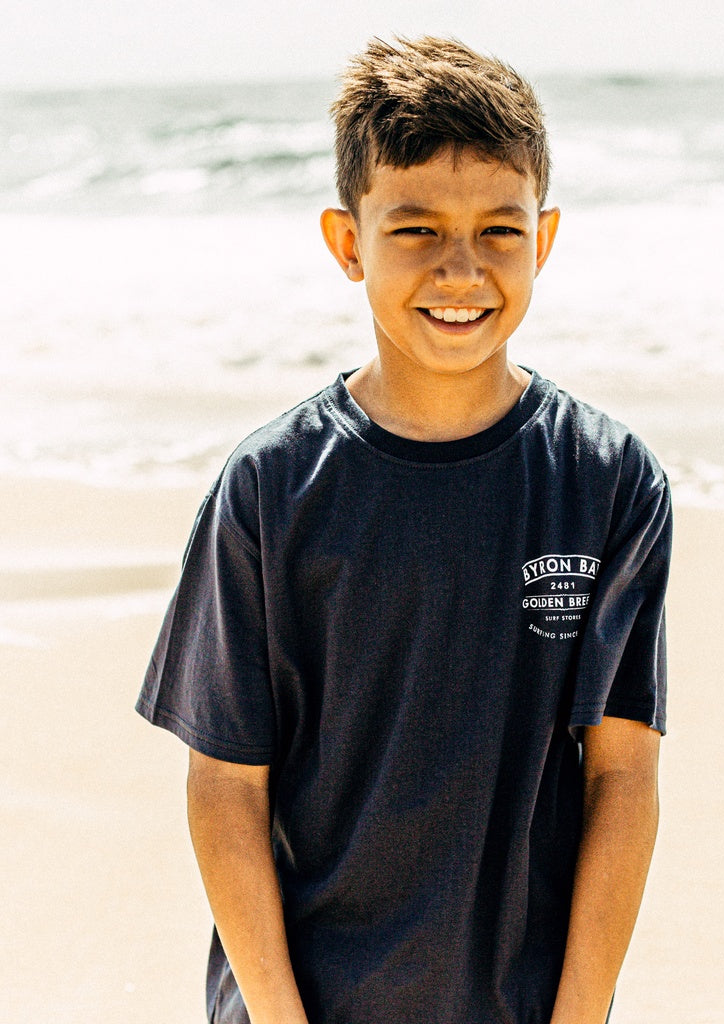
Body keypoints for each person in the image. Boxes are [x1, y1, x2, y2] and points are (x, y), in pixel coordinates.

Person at [136, 35, 672, 1024]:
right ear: (349, 243)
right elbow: (224, 787)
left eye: (498, 232)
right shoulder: (269, 487)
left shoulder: (606, 480)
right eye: (416, 228)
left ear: (543, 239)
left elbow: (624, 775)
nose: (461, 269)